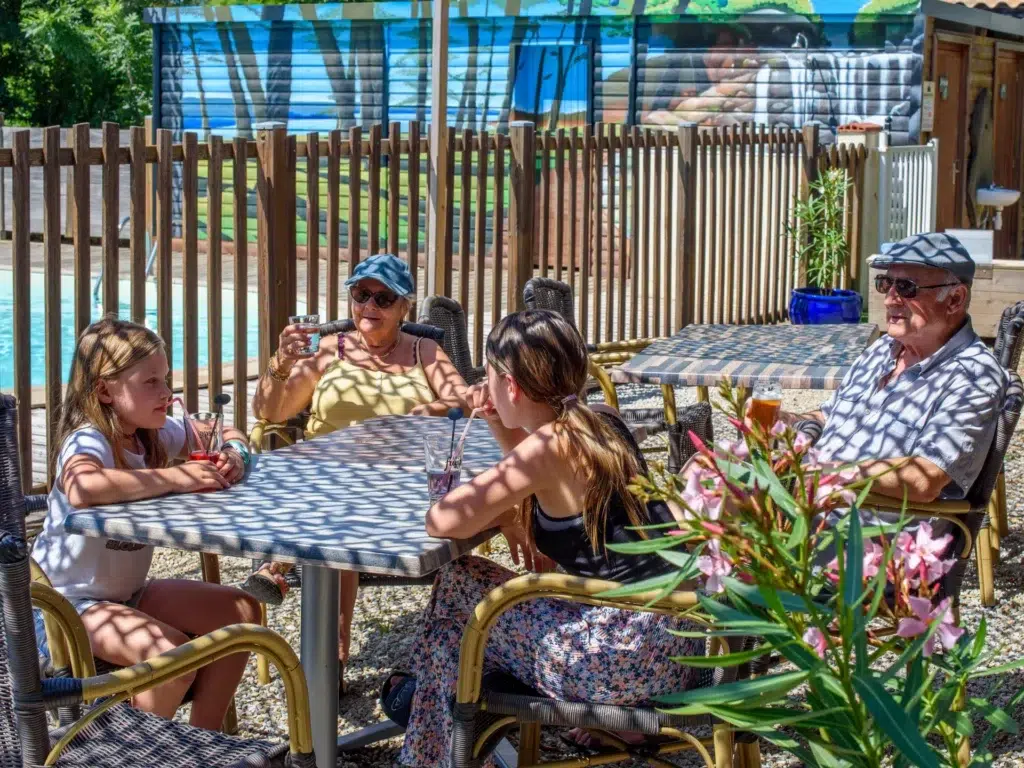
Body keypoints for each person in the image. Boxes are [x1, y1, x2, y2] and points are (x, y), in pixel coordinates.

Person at [382, 310, 704, 767]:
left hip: (623, 665)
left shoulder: (551, 445)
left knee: (457, 587)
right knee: (456, 634)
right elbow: (534, 474)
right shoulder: (603, 421)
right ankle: (444, 726)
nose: (484, 385)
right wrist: (498, 422)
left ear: (510, 385)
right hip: (676, 646)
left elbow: (443, 521)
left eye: (489, 376)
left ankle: (430, 721)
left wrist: (459, 487)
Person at [246, 253, 468, 693]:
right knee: (336, 518)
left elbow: (465, 401)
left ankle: (281, 569)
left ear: (405, 306)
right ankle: (333, 657)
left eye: (383, 298)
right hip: (326, 479)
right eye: (361, 294)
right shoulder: (330, 349)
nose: (369, 306)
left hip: (395, 486)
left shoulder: (424, 351)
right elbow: (271, 411)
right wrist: (280, 364)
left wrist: (431, 410)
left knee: (338, 515)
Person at [30, 317, 260, 731]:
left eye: (165, 379)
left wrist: (236, 453)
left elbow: (219, 428)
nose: (167, 393)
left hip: (124, 596)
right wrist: (176, 477)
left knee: (241, 610)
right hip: (61, 610)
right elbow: (83, 486)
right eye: (150, 382)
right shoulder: (88, 439)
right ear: (104, 390)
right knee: (170, 655)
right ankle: (133, 753)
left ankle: (199, 743)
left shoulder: (148, 435)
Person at [782, 232, 1008, 511]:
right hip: (804, 498)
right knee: (720, 480)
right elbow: (829, 415)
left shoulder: (974, 375)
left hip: (862, 529)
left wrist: (824, 473)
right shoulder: (884, 349)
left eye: (906, 287)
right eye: (885, 283)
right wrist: (784, 425)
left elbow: (924, 478)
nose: (889, 299)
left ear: (954, 299)